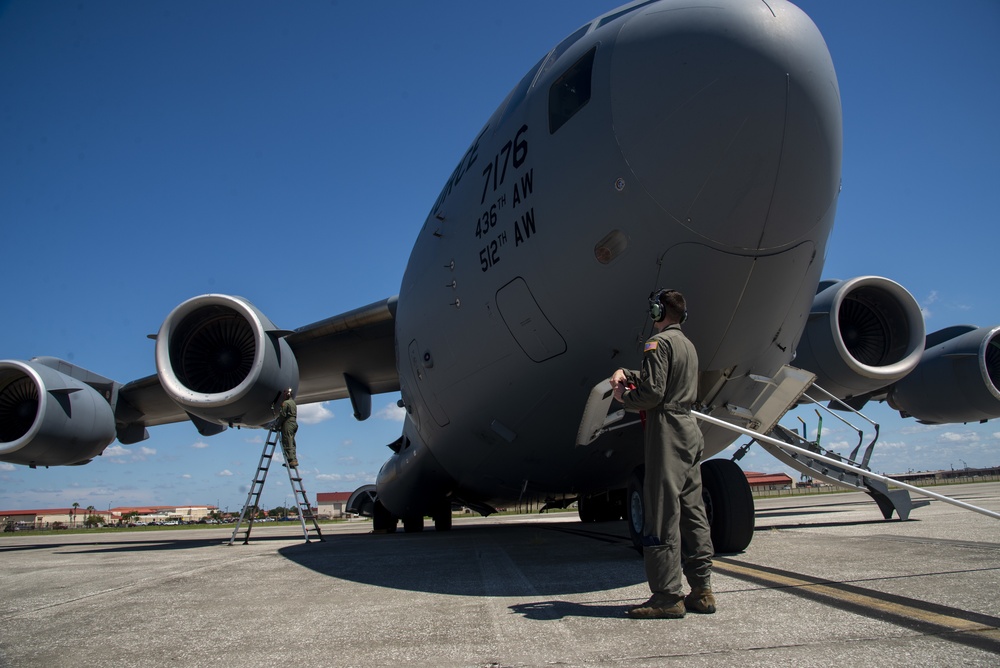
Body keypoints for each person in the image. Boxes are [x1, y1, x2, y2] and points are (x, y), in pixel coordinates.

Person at [610, 289, 716, 619]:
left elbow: (654, 393)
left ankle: (667, 596)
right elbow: (667, 381)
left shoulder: (656, 344)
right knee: (692, 509)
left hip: (666, 429)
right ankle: (702, 590)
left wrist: (623, 398)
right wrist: (630, 373)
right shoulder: (687, 345)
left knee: (661, 510)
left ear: (658, 312)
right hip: (689, 428)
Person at [274, 388, 298, 468]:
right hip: (293, 423)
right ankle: (293, 459)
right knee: (291, 441)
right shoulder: (293, 403)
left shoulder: (286, 403)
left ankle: (291, 460)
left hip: (288, 423)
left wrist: (278, 425)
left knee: (287, 441)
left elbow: (283, 415)